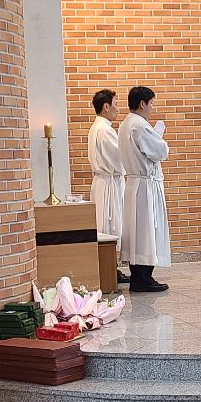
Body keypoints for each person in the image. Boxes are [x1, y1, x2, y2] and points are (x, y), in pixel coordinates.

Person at [118, 86, 171, 292]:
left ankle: (139, 276)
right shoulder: (140, 125)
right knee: (147, 231)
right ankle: (143, 278)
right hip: (145, 185)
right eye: (151, 103)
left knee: (138, 232)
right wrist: (159, 134)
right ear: (142, 103)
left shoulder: (125, 124)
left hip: (135, 183)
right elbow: (160, 151)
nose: (151, 107)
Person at [87, 89, 129, 284]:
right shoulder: (105, 130)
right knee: (110, 224)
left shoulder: (96, 127)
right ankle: (110, 268)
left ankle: (110, 267)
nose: (118, 109)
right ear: (106, 106)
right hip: (110, 183)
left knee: (104, 222)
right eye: (115, 104)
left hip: (102, 182)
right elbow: (119, 158)